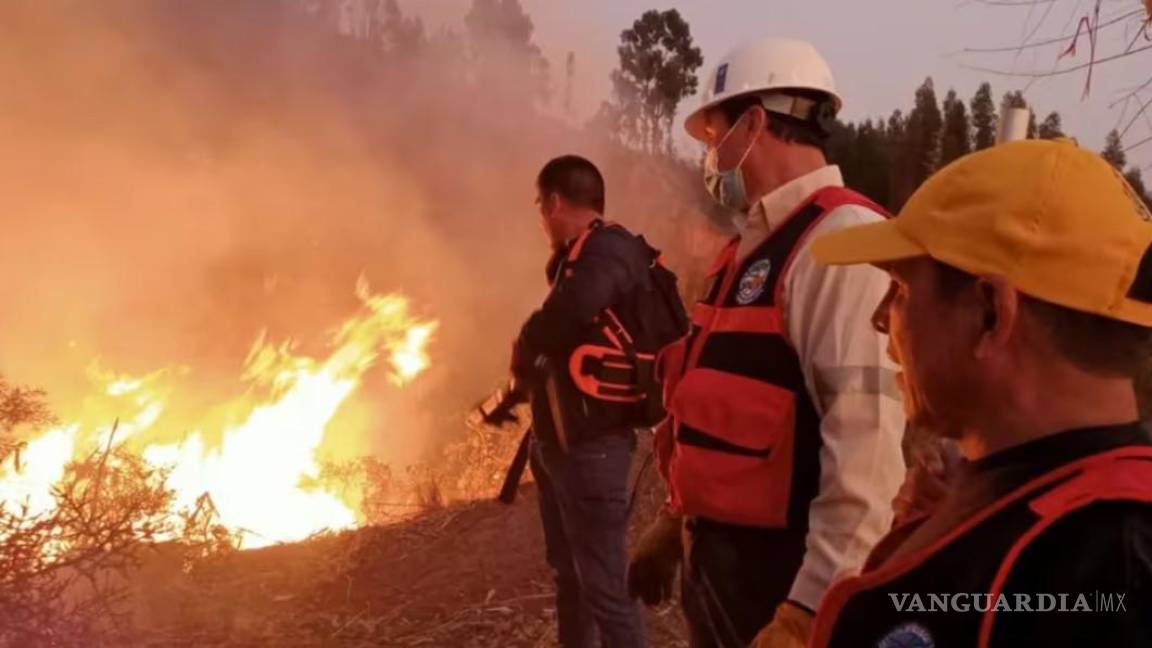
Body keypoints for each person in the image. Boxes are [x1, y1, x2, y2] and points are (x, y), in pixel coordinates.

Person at [807, 138, 1152, 647]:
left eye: (900, 291)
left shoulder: (1107, 582)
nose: (881, 321)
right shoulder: (1050, 523)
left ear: (991, 313)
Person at [626, 38, 905, 648]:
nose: (707, 157)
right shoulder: (745, 254)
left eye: (712, 136)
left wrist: (810, 613)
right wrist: (676, 526)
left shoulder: (844, 244)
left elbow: (866, 460)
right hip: (722, 585)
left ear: (752, 124)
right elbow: (718, 409)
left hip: (785, 591)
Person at [511, 155, 686, 648]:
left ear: (555, 202)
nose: (541, 219)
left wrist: (524, 344)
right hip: (562, 444)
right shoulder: (586, 253)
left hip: (592, 451)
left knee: (606, 588)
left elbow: (568, 312)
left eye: (540, 207)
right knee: (573, 577)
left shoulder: (608, 249)